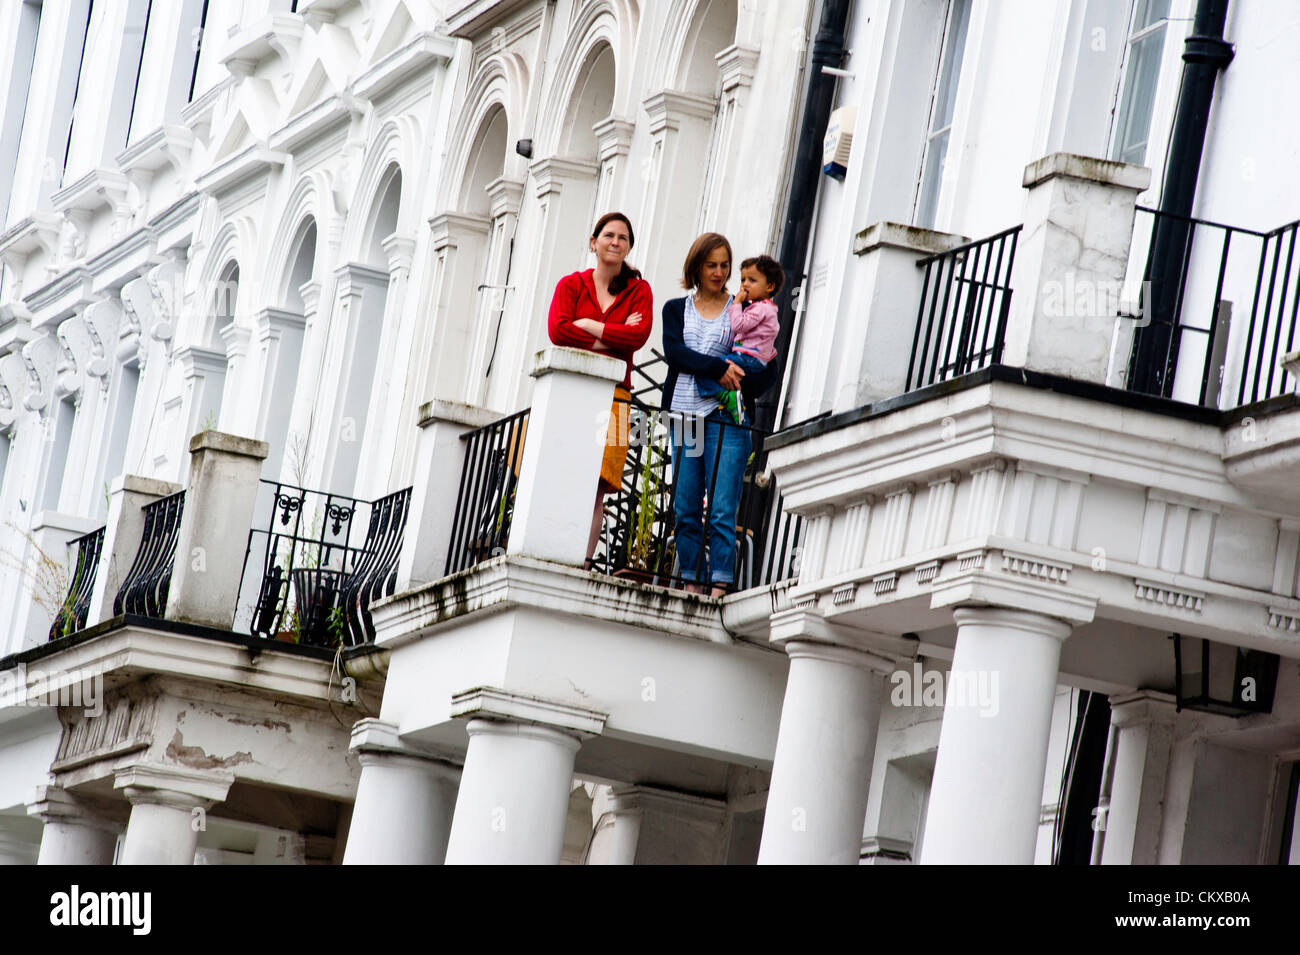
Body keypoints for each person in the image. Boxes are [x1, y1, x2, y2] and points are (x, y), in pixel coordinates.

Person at [661, 233, 778, 596]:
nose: (719, 271)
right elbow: (676, 354)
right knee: (684, 506)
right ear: (696, 265)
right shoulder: (675, 309)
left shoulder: (744, 307)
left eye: (725, 265)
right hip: (684, 417)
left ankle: (721, 583)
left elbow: (766, 363)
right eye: (711, 264)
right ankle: (693, 580)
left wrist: (741, 379)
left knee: (723, 508)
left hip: (726, 419)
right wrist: (716, 369)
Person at [547, 212, 654, 561]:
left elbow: (637, 337)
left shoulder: (639, 290)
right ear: (594, 243)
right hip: (571, 391)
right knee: (564, 475)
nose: (615, 242)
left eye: (623, 238)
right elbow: (558, 331)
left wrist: (590, 325)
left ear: (628, 248)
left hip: (617, 398)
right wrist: (613, 341)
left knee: (598, 488)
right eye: (609, 235)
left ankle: (584, 559)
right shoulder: (570, 285)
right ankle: (556, 549)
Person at [695, 254, 783, 424]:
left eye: (752, 280)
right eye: (743, 279)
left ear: (770, 286)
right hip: (753, 358)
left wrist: (736, 303)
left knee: (707, 368)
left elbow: (738, 325)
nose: (745, 284)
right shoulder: (768, 309)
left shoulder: (760, 309)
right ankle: (732, 396)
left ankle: (729, 398)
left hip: (747, 357)